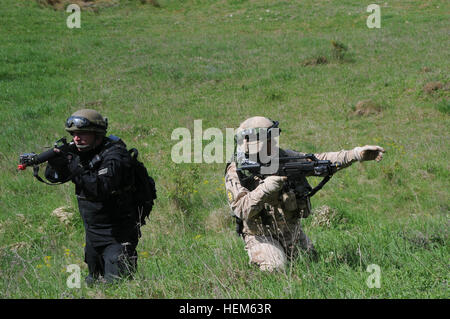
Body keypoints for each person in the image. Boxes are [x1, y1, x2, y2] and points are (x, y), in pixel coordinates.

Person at [224, 116, 385, 272]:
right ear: (255, 143)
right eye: (269, 138)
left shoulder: (285, 157)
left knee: (315, 266)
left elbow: (319, 160)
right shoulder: (238, 170)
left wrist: (356, 154)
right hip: (261, 236)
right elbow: (240, 209)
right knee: (275, 267)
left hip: (292, 232)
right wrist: (265, 188)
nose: (273, 142)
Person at [45, 109, 141, 285]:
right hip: (93, 234)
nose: (76, 138)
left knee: (119, 285)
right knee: (93, 282)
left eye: (82, 134)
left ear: (97, 134)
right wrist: (57, 164)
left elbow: (100, 189)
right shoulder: (81, 152)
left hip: (118, 234)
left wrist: (73, 166)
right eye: (73, 134)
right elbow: (54, 178)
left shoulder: (115, 156)